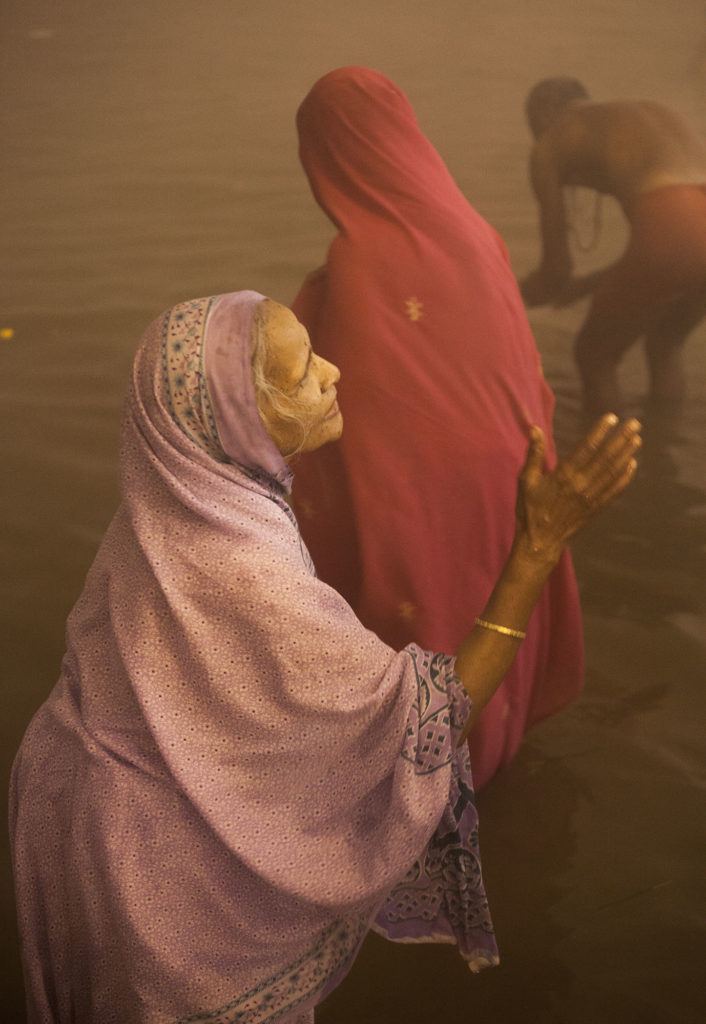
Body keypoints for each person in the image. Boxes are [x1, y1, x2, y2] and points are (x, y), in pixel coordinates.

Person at [9, 288, 640, 1024]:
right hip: (151, 874)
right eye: (306, 368)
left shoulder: (168, 508)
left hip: (73, 813)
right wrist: (536, 548)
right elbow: (427, 723)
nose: (335, 372)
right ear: (241, 419)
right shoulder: (242, 570)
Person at [290, 66, 585, 791]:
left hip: (418, 480)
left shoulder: (358, 257)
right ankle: (497, 760)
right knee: (495, 595)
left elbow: (344, 409)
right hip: (512, 465)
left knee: (424, 608)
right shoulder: (478, 233)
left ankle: (422, 791)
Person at [520, 76, 706, 414]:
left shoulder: (551, 139)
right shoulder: (639, 118)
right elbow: (672, 250)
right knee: (666, 342)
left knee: (595, 357)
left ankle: (603, 463)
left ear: (543, 114)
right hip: (685, 227)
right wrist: (588, 286)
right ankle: (663, 449)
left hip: (675, 225)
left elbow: (555, 271)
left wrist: (506, 299)